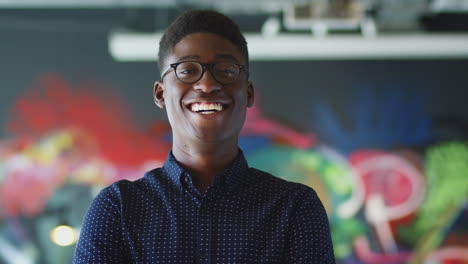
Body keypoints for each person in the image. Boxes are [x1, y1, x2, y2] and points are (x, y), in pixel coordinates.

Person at [73, 10, 335, 264]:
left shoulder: (294, 208)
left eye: (227, 70)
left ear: (249, 93)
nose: (208, 84)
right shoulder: (118, 209)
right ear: (161, 94)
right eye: (187, 70)